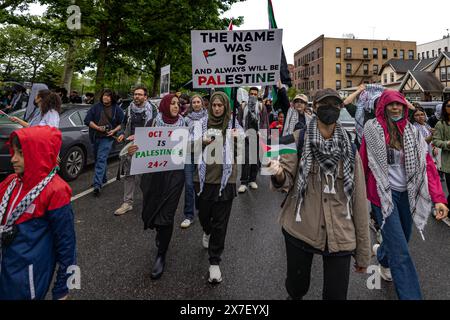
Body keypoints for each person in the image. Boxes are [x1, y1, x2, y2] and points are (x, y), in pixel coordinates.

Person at [267, 88, 370, 300]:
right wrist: (277, 174)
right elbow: (284, 181)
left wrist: (363, 253)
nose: (329, 109)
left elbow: (359, 201)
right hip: (301, 226)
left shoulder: (350, 148)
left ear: (340, 108)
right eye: (324, 105)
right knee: (296, 288)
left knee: (336, 295)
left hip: (340, 232)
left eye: (334, 105)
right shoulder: (291, 140)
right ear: (315, 108)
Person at [360, 90, 448, 300]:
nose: (396, 108)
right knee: (400, 252)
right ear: (383, 107)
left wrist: (439, 198)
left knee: (403, 239)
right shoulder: (372, 130)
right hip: (383, 196)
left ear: (404, 107)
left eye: (399, 104)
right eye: (391, 105)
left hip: (409, 195)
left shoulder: (413, 133)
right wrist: (355, 198)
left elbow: (427, 166)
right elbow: (362, 163)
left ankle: (382, 254)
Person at [0, 126, 76, 300]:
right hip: (5, 273)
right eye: (13, 152)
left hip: (27, 284)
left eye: (21, 153)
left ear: (38, 154)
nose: (13, 159)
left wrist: (66, 290)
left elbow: (69, 247)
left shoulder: (56, 191)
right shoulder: (12, 181)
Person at [128, 94, 186, 280]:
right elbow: (140, 147)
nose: (176, 106)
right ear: (165, 105)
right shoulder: (153, 122)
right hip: (154, 176)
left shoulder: (185, 125)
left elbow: (192, 149)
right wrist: (133, 149)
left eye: (178, 104)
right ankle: (160, 235)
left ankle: (161, 254)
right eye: (173, 103)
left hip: (175, 176)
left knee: (167, 215)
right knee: (153, 210)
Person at [194, 91, 244, 283]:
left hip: (226, 180)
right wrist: (201, 142)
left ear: (225, 107)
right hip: (203, 179)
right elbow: (188, 147)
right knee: (204, 215)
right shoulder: (200, 125)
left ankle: (214, 262)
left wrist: (237, 137)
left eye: (220, 105)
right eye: (213, 105)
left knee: (220, 223)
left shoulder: (234, 125)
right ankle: (206, 231)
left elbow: (241, 150)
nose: (216, 108)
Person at [114, 86, 157, 216]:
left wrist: (140, 136)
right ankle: (127, 203)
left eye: (139, 94)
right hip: (131, 146)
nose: (136, 96)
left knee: (146, 177)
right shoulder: (129, 109)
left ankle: (149, 202)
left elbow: (156, 128)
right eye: (135, 94)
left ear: (146, 97)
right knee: (129, 174)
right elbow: (122, 124)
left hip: (146, 145)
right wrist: (122, 133)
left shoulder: (153, 111)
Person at [84, 89, 124, 196]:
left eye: (108, 96)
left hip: (107, 138)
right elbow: (87, 120)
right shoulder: (96, 107)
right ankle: (104, 178)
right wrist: (97, 128)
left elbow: (122, 123)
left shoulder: (117, 109)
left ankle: (97, 185)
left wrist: (114, 131)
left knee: (101, 158)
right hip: (95, 136)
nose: (105, 97)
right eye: (104, 96)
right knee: (98, 158)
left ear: (112, 98)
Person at [180, 94, 207, 229]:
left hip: (203, 154)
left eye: (198, 102)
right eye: (194, 102)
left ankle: (201, 208)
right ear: (191, 104)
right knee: (189, 184)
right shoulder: (186, 119)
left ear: (202, 103)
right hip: (188, 153)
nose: (196, 104)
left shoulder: (208, 118)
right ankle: (189, 215)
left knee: (201, 183)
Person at [237, 87, 268, 193]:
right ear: (248, 94)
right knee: (245, 159)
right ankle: (243, 182)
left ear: (258, 95)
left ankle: (252, 180)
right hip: (245, 136)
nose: (253, 96)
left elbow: (264, 121)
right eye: (251, 94)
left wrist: (263, 133)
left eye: (255, 94)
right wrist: (241, 133)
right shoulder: (243, 106)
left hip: (257, 136)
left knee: (255, 159)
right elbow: (239, 120)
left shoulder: (261, 106)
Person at [432, 98, 450, 207]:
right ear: (444, 108)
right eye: (449, 106)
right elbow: (436, 140)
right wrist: (447, 144)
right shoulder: (441, 124)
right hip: (448, 163)